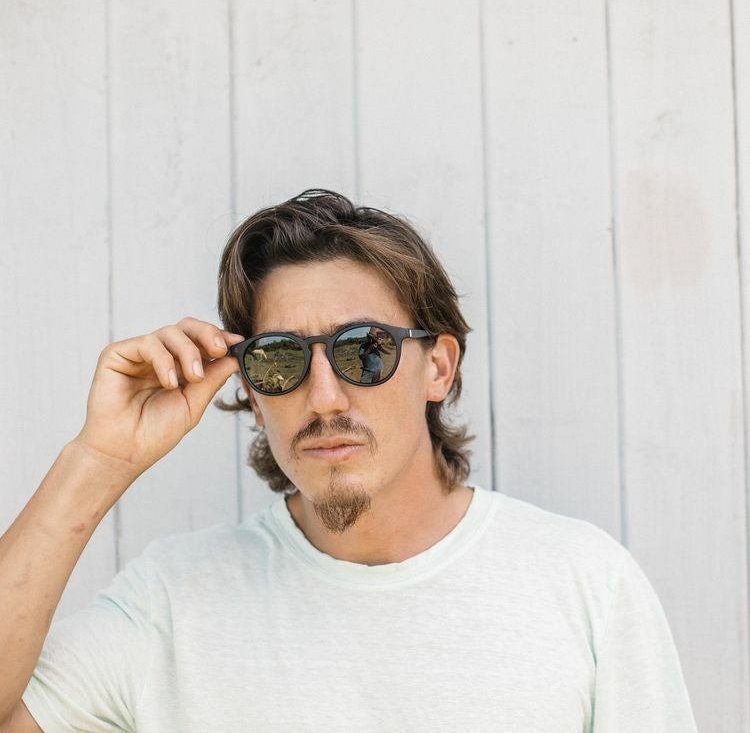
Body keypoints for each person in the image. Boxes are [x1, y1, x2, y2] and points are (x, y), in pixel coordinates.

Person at [0, 189, 698, 732]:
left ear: (438, 367)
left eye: (364, 350)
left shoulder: (583, 584)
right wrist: (99, 459)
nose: (324, 397)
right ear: (250, 390)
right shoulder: (173, 601)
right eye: (280, 360)